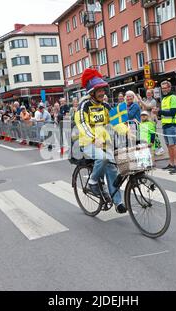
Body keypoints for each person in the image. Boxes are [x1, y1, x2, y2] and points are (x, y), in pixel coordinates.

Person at [74, 68, 129, 214]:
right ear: (91, 92)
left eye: (103, 90)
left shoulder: (105, 106)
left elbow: (116, 121)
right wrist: (93, 138)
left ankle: (118, 203)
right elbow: (82, 124)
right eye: (98, 90)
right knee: (103, 158)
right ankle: (92, 182)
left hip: (104, 143)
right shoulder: (84, 106)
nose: (102, 93)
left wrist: (128, 131)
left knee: (112, 169)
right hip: (87, 143)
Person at [159, 81, 176, 175]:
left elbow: (172, 112)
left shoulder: (173, 97)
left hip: (171, 125)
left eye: (165, 88)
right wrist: (159, 113)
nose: (164, 89)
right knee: (169, 146)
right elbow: (165, 112)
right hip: (165, 124)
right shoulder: (164, 98)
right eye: (163, 88)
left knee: (173, 145)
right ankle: (171, 163)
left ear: (169, 88)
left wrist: (160, 112)